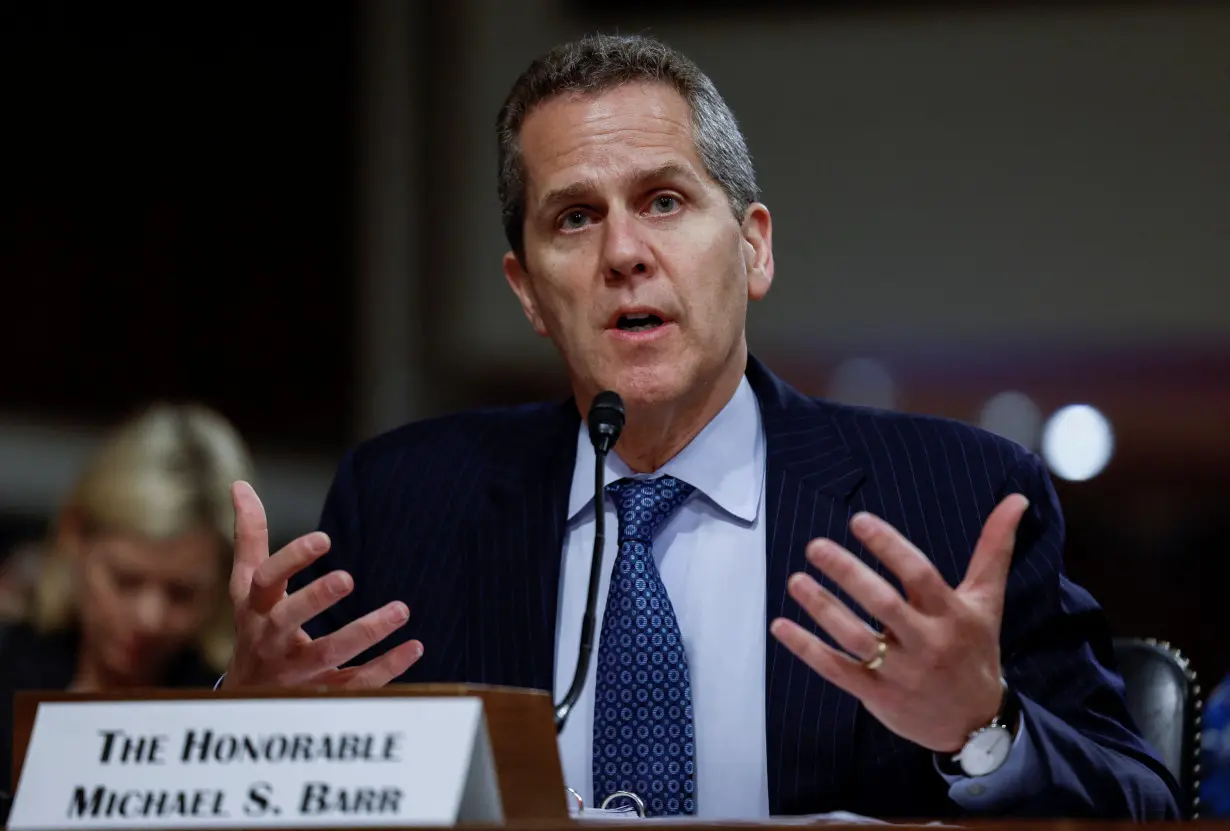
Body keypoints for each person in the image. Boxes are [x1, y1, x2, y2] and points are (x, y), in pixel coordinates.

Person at [218, 34, 1180, 819]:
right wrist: (244, 730)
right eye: (574, 219)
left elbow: (1141, 803)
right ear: (527, 294)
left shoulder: (956, 499)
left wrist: (981, 727)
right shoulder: (403, 502)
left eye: (664, 201)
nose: (624, 253)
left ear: (753, 247)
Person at [0, 403, 255, 791]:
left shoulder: (223, 707)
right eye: (125, 581)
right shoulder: (10, 668)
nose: (148, 618)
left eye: (181, 593)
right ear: (74, 538)